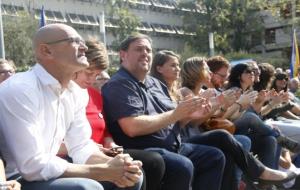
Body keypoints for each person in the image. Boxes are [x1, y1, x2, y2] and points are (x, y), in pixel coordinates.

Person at [102, 33, 297, 190]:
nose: (145, 53)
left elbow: (180, 120)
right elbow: (132, 127)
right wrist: (181, 113)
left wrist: (197, 112)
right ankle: (261, 174)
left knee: (216, 153)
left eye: (148, 50)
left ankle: (260, 174)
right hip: (146, 149)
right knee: (184, 164)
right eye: (138, 49)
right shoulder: (120, 84)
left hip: (175, 143)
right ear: (123, 54)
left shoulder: (154, 83)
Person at [0, 24, 142, 190]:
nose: (84, 47)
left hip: (44, 171)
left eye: (82, 41)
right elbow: (32, 165)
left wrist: (117, 166)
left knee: (132, 177)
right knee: (85, 187)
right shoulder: (21, 89)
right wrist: (101, 171)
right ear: (46, 51)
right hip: (15, 180)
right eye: (74, 41)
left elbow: (80, 146)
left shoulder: (77, 92)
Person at [73, 38, 165, 190]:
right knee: (144, 165)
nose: (92, 80)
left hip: (98, 150)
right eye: (89, 72)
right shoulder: (65, 94)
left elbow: (104, 128)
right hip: (78, 155)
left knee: (136, 169)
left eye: (96, 75)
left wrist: (110, 143)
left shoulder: (94, 95)